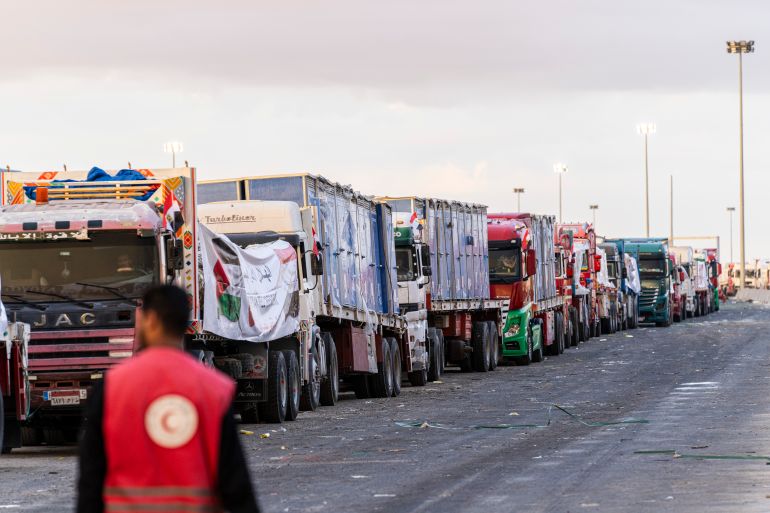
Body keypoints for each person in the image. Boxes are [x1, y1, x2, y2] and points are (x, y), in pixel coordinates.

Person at [76, 285, 260, 513]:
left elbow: (91, 480)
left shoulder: (111, 386)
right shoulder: (214, 389)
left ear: (151, 320)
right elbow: (235, 483)